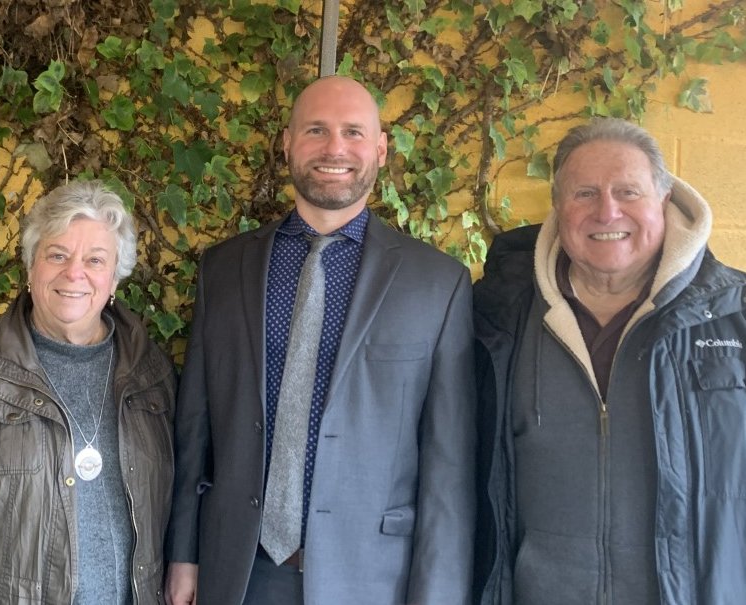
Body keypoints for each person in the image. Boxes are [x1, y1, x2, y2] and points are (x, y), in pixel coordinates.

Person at [165, 75, 477, 605]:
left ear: (380, 148)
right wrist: (183, 553)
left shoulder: (438, 284)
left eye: (354, 132)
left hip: (374, 581)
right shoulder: (224, 268)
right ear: (287, 143)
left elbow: (449, 468)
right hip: (239, 574)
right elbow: (196, 427)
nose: (335, 148)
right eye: (316, 130)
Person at [473, 117, 746, 604]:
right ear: (557, 207)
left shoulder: (734, 315)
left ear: (664, 199)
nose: (608, 211)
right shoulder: (497, 318)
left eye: (628, 192)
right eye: (584, 194)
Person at [0, 180, 176, 604]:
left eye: (95, 259)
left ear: (114, 277)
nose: (74, 273)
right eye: (57, 255)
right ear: (31, 268)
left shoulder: (151, 374)